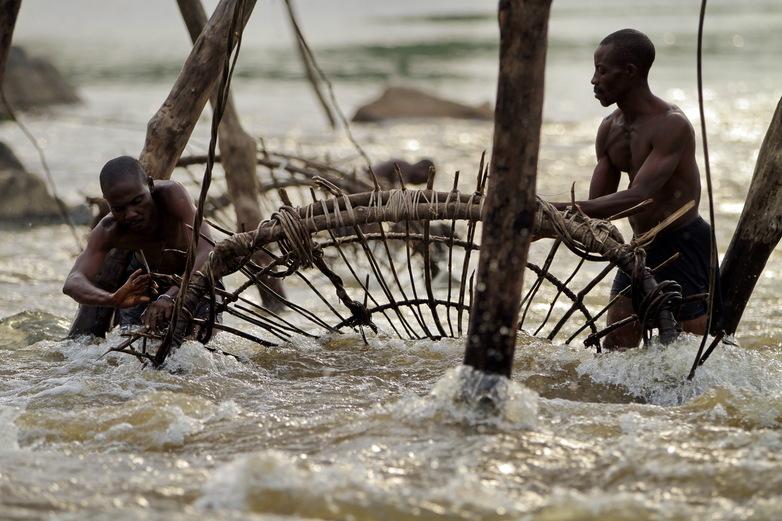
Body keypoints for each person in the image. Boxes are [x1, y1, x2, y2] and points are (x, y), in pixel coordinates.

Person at [553, 29, 715, 349]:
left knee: (689, 352)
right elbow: (598, 207)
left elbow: (639, 198)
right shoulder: (608, 130)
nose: (593, 80)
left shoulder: (672, 124)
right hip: (639, 247)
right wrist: (546, 225)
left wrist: (554, 209)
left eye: (602, 70)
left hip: (683, 243)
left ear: (629, 72)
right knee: (616, 346)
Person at [63, 156, 217, 333]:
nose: (130, 215)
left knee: (203, 341)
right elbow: (73, 282)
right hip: (150, 283)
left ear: (150, 186)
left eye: (137, 201)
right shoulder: (109, 228)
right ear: (108, 204)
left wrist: (171, 296)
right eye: (119, 209)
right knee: (130, 344)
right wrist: (113, 298)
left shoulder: (172, 195)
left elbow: (207, 251)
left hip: (195, 275)